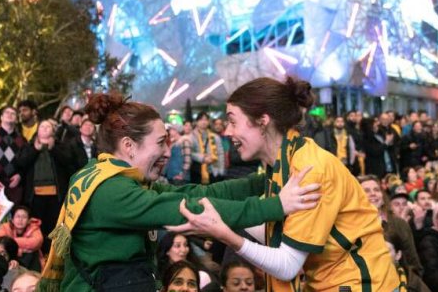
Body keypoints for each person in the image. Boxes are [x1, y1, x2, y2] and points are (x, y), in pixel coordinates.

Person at [38, 93, 320, 291]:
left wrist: (262, 182)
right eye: (160, 143)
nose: (166, 152)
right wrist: (277, 205)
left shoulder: (108, 175)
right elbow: (193, 209)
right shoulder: (111, 191)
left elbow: (195, 192)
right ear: (129, 146)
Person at [170, 77, 399, 291]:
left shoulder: (309, 168)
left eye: (232, 121)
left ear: (262, 121)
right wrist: (220, 217)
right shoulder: (282, 162)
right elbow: (278, 233)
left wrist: (225, 234)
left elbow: (287, 264)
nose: (227, 131)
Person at [15, 120, 81, 254]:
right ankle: (39, 256)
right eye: (42, 126)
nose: (45, 129)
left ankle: (54, 256)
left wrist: (53, 149)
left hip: (56, 195)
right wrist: (35, 149)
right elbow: (21, 163)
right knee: (37, 226)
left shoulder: (60, 145)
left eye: (48, 126)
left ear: (53, 131)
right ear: (37, 130)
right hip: (35, 195)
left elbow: (68, 161)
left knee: (55, 226)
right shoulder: (29, 146)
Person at [359, 175, 425, 286]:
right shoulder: (351, 227)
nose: (373, 193)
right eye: (366, 191)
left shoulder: (399, 224)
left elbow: (412, 263)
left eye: (376, 190)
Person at [0, 206, 43, 271]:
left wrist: (12, 242)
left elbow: (37, 242)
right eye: (18, 216)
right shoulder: (5, 227)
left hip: (30, 260)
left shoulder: (34, 227)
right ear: (12, 219)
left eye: (24, 217)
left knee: (33, 252)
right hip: (10, 259)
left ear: (29, 220)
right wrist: (20, 250)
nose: (20, 220)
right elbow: (0, 242)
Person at [189, 112, 222, 185]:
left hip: (213, 170)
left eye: (206, 119)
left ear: (208, 122)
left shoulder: (215, 136)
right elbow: (190, 153)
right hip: (197, 170)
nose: (203, 122)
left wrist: (221, 171)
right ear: (197, 122)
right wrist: (203, 158)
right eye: (201, 119)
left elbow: (220, 153)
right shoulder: (191, 136)